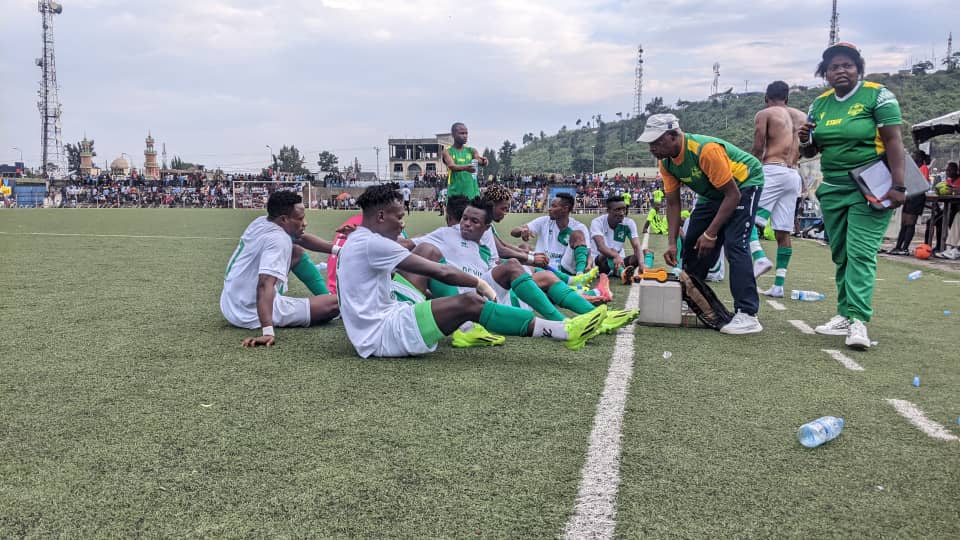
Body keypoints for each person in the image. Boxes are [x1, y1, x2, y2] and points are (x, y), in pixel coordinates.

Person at [335, 185, 608, 358]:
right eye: (399, 217)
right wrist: (479, 283)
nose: (402, 223)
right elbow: (443, 273)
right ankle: (564, 330)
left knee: (442, 267)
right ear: (381, 216)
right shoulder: (373, 244)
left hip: (385, 319)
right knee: (469, 302)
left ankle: (471, 327)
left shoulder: (362, 240)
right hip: (385, 334)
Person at [799, 42, 906, 349]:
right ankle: (845, 313)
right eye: (834, 66)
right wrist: (805, 139)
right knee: (841, 253)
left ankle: (858, 321)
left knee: (860, 251)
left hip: (871, 185)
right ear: (825, 73)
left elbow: (894, 141)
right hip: (832, 188)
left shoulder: (878, 95)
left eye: (847, 65)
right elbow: (811, 151)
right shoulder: (818, 105)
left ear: (859, 68)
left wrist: (898, 186)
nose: (841, 71)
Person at [412, 197, 636, 337]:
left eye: (474, 221)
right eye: (464, 219)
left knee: (545, 276)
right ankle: (564, 323)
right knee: (519, 268)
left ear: (486, 227)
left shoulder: (486, 241)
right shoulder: (444, 235)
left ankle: (599, 316)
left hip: (489, 293)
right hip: (466, 297)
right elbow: (409, 247)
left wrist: (525, 260)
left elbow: (500, 254)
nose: (467, 224)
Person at [638, 113, 764, 335]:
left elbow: (732, 195)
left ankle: (747, 314)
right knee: (691, 244)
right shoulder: (665, 162)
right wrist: (671, 243)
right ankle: (693, 300)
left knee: (735, 245)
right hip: (712, 192)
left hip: (743, 184)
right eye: (650, 143)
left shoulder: (705, 150)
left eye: (657, 142)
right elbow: (673, 203)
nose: (652, 148)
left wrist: (712, 233)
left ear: (673, 135)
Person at [220, 191, 340, 347]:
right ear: (284, 219)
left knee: (296, 251)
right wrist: (267, 331)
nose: (305, 223)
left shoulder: (261, 222)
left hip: (230, 300)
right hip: (248, 312)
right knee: (336, 305)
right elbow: (264, 284)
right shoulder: (279, 239)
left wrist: (340, 251)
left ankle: (323, 295)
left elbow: (301, 238)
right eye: (300, 218)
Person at [749, 80, 807, 297]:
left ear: (766, 98)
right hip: (794, 173)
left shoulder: (765, 114)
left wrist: (747, 171)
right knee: (783, 230)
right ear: (787, 98)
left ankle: (759, 257)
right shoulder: (802, 117)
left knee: (748, 217)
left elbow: (758, 146)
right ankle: (779, 285)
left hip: (772, 169)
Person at [510, 192, 600, 290]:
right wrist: (522, 230)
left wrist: (589, 264)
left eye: (553, 206)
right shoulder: (544, 221)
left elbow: (588, 252)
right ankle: (569, 281)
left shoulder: (578, 226)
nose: (549, 209)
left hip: (565, 267)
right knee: (523, 247)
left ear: (565, 209)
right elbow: (513, 232)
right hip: (543, 264)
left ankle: (579, 277)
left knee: (577, 234)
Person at [590, 195, 645, 284]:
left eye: (624, 209)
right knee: (608, 254)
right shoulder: (597, 222)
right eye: (617, 209)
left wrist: (642, 263)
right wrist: (615, 255)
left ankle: (644, 273)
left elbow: (636, 246)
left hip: (619, 261)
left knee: (645, 253)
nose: (622, 213)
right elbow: (601, 247)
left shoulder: (628, 223)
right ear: (608, 211)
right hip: (600, 264)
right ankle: (622, 273)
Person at [888, 150, 930, 255]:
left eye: (914, 156)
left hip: (917, 197)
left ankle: (905, 248)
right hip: (909, 196)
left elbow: (921, 183)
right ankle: (898, 247)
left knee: (910, 223)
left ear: (919, 158)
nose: (912, 158)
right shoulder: (912, 168)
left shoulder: (923, 168)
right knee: (904, 223)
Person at [442, 122, 488, 199]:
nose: (465, 136)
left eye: (466, 133)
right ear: (453, 135)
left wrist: (484, 161)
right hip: (455, 195)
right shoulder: (447, 151)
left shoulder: (472, 151)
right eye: (462, 133)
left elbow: (479, 160)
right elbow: (451, 166)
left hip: (472, 195)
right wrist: (466, 168)